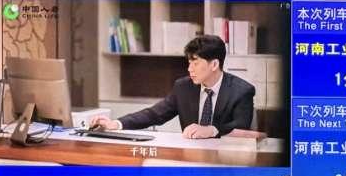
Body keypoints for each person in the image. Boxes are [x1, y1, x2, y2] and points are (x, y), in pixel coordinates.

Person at [91, 34, 255, 139]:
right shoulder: (183, 87)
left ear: (214, 64)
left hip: (226, 160)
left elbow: (241, 125)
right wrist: (116, 124)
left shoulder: (242, 91)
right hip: (190, 157)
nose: (189, 69)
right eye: (189, 63)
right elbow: (154, 114)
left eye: (195, 63)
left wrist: (212, 130)